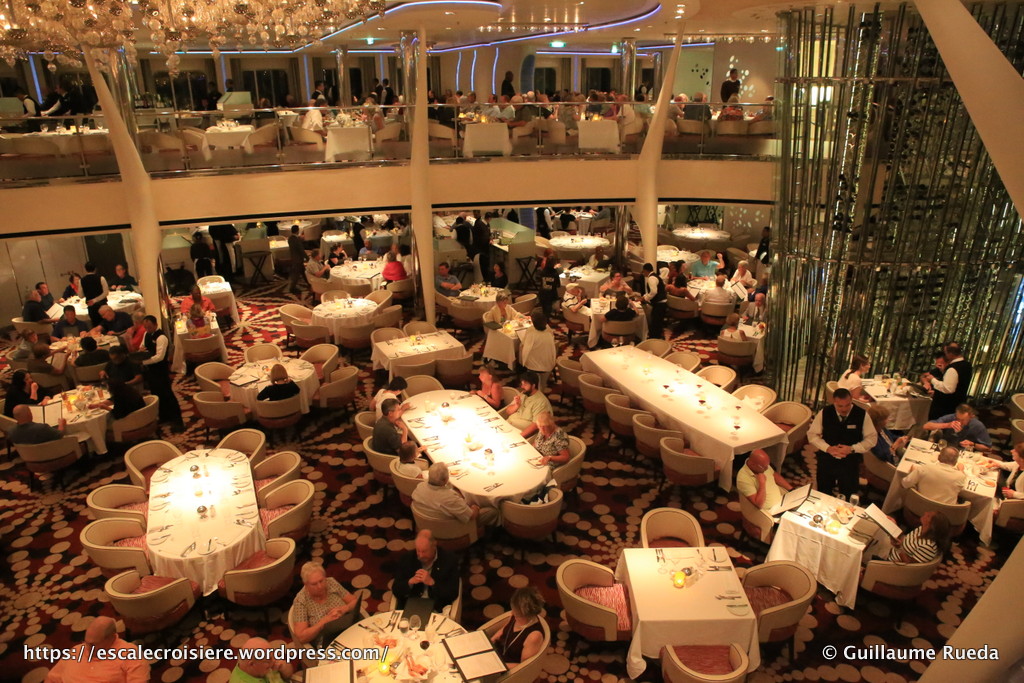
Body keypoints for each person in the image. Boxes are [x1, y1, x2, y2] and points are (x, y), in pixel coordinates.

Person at [807, 387, 877, 497]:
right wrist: (827, 448)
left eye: (848, 405)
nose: (844, 409)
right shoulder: (825, 412)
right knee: (823, 492)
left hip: (850, 461)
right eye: (840, 406)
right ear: (834, 402)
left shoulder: (862, 414)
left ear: (851, 401)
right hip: (827, 459)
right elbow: (812, 435)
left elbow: (872, 439)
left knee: (849, 494)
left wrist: (852, 448)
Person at [45, 615, 150, 683]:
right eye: (86, 642)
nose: (87, 647)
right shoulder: (77, 650)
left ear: (112, 637)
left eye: (93, 644)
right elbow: (52, 678)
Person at [290, 561, 360, 648]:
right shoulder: (300, 601)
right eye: (314, 584)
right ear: (306, 585)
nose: (320, 586)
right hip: (329, 642)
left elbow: (355, 602)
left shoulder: (331, 583)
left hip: (349, 627)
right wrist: (324, 622)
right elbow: (302, 637)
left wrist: (344, 608)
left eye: (321, 581)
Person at [393, 529, 462, 611]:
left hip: (437, 607)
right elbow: (396, 589)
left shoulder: (449, 560)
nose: (420, 555)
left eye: (424, 551)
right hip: (412, 606)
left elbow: (452, 593)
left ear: (434, 546)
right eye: (418, 551)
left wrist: (432, 583)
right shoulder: (407, 559)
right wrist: (409, 582)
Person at [412, 463, 498, 528]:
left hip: (426, 522)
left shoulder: (420, 486)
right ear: (446, 480)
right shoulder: (450, 499)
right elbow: (471, 516)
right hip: (450, 528)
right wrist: (475, 507)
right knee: (493, 511)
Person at [140, 315, 183, 430]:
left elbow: (159, 357)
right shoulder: (146, 334)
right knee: (156, 394)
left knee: (167, 394)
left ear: (155, 325)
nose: (147, 329)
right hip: (151, 371)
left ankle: (177, 421)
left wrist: (144, 362)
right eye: (145, 327)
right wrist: (141, 352)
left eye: (149, 327)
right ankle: (164, 417)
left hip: (160, 370)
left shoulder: (161, 338)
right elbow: (142, 347)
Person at [490, 586, 546, 670]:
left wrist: (496, 665)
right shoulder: (515, 616)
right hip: (497, 654)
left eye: (517, 614)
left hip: (508, 667)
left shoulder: (534, 636)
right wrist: (491, 641)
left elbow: (523, 666)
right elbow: (504, 629)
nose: (512, 613)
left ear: (527, 615)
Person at [900, 445, 966, 505]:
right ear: (955, 462)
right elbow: (962, 490)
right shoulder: (960, 476)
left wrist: (913, 472)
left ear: (939, 457)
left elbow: (905, 483)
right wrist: (961, 471)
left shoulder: (924, 468)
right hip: (943, 514)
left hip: (919, 507)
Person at [923, 342, 972, 419]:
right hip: (958, 403)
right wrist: (943, 372)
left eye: (946, 353)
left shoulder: (952, 368)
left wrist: (932, 380)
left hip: (945, 408)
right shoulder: (967, 365)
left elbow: (948, 389)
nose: (945, 355)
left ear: (950, 353)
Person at [887, 511, 951, 564]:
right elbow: (905, 540)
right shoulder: (921, 529)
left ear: (932, 526)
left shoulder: (928, 546)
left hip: (892, 563)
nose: (925, 513)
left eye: (928, 516)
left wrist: (898, 548)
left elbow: (911, 565)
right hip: (890, 551)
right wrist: (894, 526)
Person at [923, 404, 992, 452]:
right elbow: (926, 426)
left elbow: (988, 448)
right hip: (945, 449)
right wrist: (947, 425)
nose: (959, 422)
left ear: (971, 416)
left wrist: (973, 444)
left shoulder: (978, 426)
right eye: (957, 418)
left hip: (964, 453)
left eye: (963, 420)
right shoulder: (951, 418)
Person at [504, 371, 553, 437]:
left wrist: (520, 436)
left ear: (533, 385)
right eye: (522, 384)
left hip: (522, 432)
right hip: (510, 426)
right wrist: (516, 405)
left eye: (525, 384)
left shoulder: (541, 402)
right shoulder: (523, 394)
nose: (522, 386)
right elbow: (507, 412)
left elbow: (535, 425)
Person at [227, 636, 293, 683]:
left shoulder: (264, 664)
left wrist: (283, 667)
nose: (274, 661)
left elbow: (289, 674)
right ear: (252, 664)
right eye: (268, 660)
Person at [520, 311, 557, 391]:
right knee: (542, 385)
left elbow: (524, 347)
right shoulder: (549, 332)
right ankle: (541, 391)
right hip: (548, 364)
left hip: (532, 366)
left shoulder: (531, 332)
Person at [640, 263, 667, 337]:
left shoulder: (651, 278)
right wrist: (645, 296)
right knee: (658, 321)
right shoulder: (655, 276)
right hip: (661, 302)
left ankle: (655, 337)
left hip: (660, 303)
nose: (643, 273)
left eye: (643, 271)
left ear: (645, 271)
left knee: (656, 322)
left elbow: (654, 292)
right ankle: (657, 336)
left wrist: (645, 298)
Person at [80, 261, 109, 327]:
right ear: (95, 269)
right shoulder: (101, 278)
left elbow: (80, 295)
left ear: (85, 269)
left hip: (91, 307)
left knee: (95, 325)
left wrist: (89, 295)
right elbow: (106, 292)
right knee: (106, 324)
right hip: (102, 305)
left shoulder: (81, 280)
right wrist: (96, 299)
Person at [287, 225, 306, 295]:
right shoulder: (296, 240)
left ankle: (309, 284)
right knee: (296, 275)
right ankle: (292, 288)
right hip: (298, 260)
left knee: (303, 272)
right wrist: (307, 258)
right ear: (297, 231)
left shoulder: (290, 239)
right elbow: (301, 250)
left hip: (294, 258)